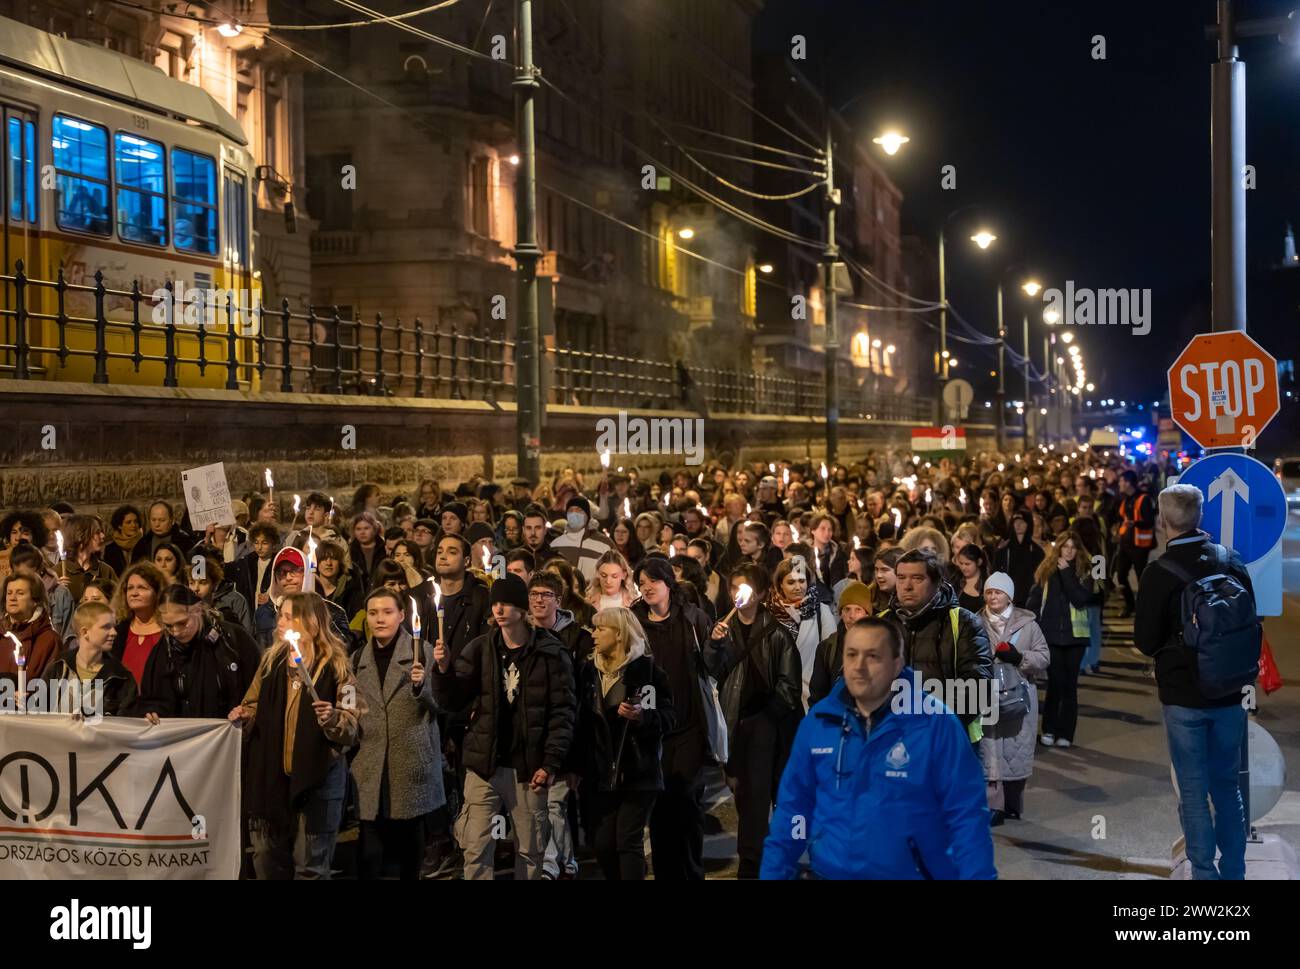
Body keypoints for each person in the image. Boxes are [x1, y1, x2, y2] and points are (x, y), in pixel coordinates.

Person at [761, 618, 996, 879]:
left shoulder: (935, 724)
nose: (859, 666)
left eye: (873, 656)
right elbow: (794, 809)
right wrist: (774, 871)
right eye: (851, 655)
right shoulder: (819, 723)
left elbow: (966, 817)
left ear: (897, 664)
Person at [1135, 484, 1256, 880]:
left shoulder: (1158, 572)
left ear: (1163, 520)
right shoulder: (1230, 560)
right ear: (1200, 516)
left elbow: (1145, 640)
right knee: (1227, 789)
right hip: (1231, 694)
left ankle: (1204, 874)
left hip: (1183, 696)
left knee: (1193, 792)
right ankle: (1235, 871)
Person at [431, 573, 575, 881]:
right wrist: (442, 671)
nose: (499, 609)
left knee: (531, 849)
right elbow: (453, 699)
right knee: (476, 845)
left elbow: (562, 713)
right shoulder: (481, 648)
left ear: (522, 610)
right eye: (496, 602)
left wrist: (550, 762)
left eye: (507, 603)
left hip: (528, 767)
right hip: (485, 764)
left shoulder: (550, 652)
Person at [231, 592, 362, 880]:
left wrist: (334, 718)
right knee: (267, 860)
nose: (280, 621)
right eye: (281, 615)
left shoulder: (339, 668)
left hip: (318, 783)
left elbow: (353, 722)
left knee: (311, 868)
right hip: (272, 781)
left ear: (311, 622)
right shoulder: (271, 663)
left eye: (289, 616)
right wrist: (245, 714)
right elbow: (252, 704)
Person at [632, 556, 724, 880]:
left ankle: (692, 871)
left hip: (688, 727)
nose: (646, 589)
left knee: (687, 804)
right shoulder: (633, 621)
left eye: (652, 582)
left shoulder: (692, 618)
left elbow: (712, 667)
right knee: (659, 810)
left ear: (668, 583)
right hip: (652, 730)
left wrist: (716, 644)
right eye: (641, 583)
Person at [710, 564, 801, 878]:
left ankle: (772, 864)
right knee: (747, 798)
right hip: (738, 724)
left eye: (745, 587)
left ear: (761, 593)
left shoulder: (777, 633)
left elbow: (789, 686)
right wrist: (714, 643)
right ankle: (750, 864)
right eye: (734, 587)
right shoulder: (725, 628)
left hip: (768, 726)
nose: (739, 593)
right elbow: (711, 670)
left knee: (766, 795)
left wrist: (767, 718)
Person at [570, 606, 672, 880]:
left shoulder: (646, 672)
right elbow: (580, 722)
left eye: (601, 628)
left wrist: (643, 717)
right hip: (599, 772)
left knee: (627, 840)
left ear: (619, 635)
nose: (594, 634)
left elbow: (669, 717)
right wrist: (575, 767)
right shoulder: (589, 672)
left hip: (637, 770)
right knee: (602, 844)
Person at [350, 588, 444, 880]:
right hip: (370, 764)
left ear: (402, 615)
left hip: (410, 763)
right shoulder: (356, 659)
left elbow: (443, 704)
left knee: (409, 851)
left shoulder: (422, 652)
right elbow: (350, 707)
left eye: (387, 612)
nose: (380, 619)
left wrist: (422, 687)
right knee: (370, 853)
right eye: (374, 613)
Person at [526, 570, 593, 880]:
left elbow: (580, 699)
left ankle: (553, 865)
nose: (539, 600)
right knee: (539, 806)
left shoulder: (577, 638)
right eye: (534, 594)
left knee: (556, 804)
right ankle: (565, 862)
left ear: (558, 600)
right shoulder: (519, 634)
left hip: (564, 733)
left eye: (546, 595)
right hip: (530, 735)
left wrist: (577, 755)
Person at [888, 549, 993, 743]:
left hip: (946, 740)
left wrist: (928, 724)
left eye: (917, 578)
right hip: (891, 739)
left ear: (937, 583)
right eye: (901, 578)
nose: (907, 586)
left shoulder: (963, 623)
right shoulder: (881, 624)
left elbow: (977, 687)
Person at [978, 572, 1049, 824]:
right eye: (989, 592)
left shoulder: (1028, 625)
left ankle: (1012, 802)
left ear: (1009, 596)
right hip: (986, 694)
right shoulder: (975, 623)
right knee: (990, 749)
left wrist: (1019, 658)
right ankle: (992, 806)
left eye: (998, 592)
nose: (993, 596)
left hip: (1019, 696)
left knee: (1017, 747)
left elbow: (1044, 657)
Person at [137, 583, 261, 722]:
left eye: (182, 623)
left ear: (198, 610)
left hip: (230, 737)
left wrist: (248, 712)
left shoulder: (233, 640)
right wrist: (151, 711)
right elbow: (150, 699)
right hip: (182, 739)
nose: (176, 632)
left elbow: (258, 690)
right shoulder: (162, 651)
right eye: (169, 626)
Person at [1026, 531, 1102, 749]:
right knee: (1055, 684)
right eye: (1065, 546)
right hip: (1051, 636)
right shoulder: (1046, 570)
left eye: (1073, 547)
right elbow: (1035, 599)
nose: (1069, 550)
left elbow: (1080, 599)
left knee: (1070, 687)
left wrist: (1068, 573)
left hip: (1076, 638)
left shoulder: (1085, 571)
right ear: (1058, 548)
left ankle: (1066, 733)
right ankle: (1048, 729)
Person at [40, 600, 138, 717]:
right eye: (106, 627)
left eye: (113, 626)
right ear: (85, 632)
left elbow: (127, 725)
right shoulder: (59, 666)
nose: (114, 632)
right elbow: (38, 712)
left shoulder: (121, 677)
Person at [765, 555, 837, 710]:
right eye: (791, 582)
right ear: (780, 585)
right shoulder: (768, 612)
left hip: (811, 696)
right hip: (776, 698)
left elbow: (831, 655)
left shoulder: (821, 611)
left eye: (802, 581)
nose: (798, 587)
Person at [808, 579, 875, 707]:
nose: (852, 615)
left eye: (858, 610)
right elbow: (817, 696)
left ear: (867, 614)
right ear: (841, 613)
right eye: (847, 609)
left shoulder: (880, 646)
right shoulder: (827, 648)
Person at [109, 561, 167, 686]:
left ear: (158, 593)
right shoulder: (118, 632)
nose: (134, 593)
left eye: (142, 587)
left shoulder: (170, 631)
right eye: (130, 588)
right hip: (124, 703)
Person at [0, 572, 61, 683]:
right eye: (9, 593)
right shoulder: (1, 633)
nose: (12, 598)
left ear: (35, 600)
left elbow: (51, 686)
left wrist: (28, 696)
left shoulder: (49, 640)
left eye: (20, 593)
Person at [1113, 469, 1156, 618]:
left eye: (1121, 481)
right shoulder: (1125, 500)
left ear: (1128, 482)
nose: (1119, 484)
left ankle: (1145, 608)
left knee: (1141, 579)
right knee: (1121, 575)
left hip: (1140, 547)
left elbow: (1150, 521)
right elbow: (1121, 518)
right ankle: (1130, 604)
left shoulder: (1143, 499)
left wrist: (1135, 523)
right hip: (1126, 545)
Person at [549, 496, 612, 585]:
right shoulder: (557, 544)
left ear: (588, 515)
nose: (574, 514)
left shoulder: (605, 543)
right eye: (570, 511)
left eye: (579, 510)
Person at [188, 554, 253, 635]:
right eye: (191, 583)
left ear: (214, 584)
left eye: (203, 583)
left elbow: (246, 637)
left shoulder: (234, 601)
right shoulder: (184, 608)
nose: (195, 588)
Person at [993, 510, 1044, 609]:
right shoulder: (1004, 550)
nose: (1018, 525)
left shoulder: (1036, 551)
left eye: (1022, 522)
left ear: (1028, 524)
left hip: (1031, 601)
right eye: (1015, 522)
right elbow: (995, 573)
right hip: (1008, 600)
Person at [61, 515, 118, 603]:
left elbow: (118, 601)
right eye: (97, 532)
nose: (103, 536)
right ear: (80, 536)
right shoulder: (58, 572)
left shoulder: (105, 570)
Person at [954, 543, 988, 613]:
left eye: (967, 564)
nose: (963, 567)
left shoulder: (987, 584)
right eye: (961, 563)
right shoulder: (956, 580)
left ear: (979, 562)